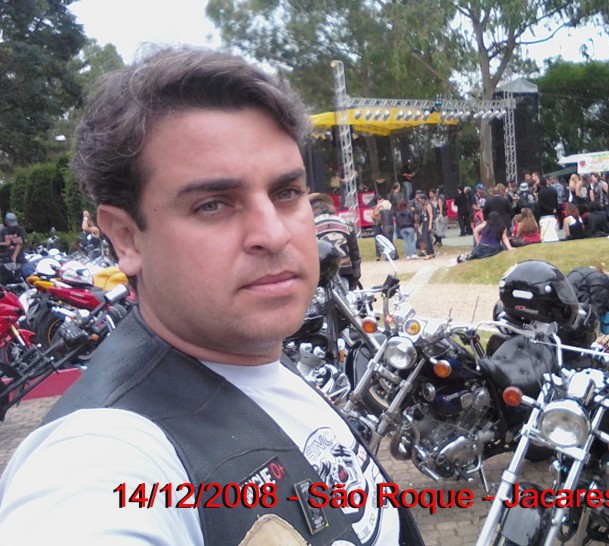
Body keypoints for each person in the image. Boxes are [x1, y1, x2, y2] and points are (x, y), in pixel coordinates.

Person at [0, 47, 422, 546]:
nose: (273, 234)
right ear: (127, 238)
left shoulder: (254, 354)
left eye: (286, 193)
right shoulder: (98, 460)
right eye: (213, 204)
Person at [310, 193, 362, 288]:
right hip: (345, 270)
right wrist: (356, 272)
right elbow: (354, 251)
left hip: (322, 273)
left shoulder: (310, 227)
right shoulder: (346, 223)